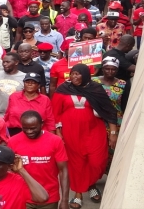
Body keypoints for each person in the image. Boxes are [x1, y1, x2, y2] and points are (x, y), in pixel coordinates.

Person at [53, 64, 119, 208]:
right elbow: (56, 112)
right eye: (73, 74)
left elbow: (109, 110)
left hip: (94, 131)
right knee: (76, 164)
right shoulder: (63, 89)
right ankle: (78, 193)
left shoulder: (95, 88)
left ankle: (90, 183)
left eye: (78, 74)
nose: (74, 77)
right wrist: (58, 132)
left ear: (85, 75)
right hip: (71, 133)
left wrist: (113, 133)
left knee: (97, 161)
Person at [8, 111, 70, 209]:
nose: (29, 131)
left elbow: (63, 171)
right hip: (23, 197)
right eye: (25, 128)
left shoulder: (55, 141)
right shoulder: (13, 141)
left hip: (49, 198)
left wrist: (65, 200)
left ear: (42, 124)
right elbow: (9, 170)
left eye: (33, 128)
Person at [0, 53, 26, 118]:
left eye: (8, 62)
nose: (4, 64)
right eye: (3, 62)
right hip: (0, 114)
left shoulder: (24, 77)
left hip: (17, 115)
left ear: (16, 62)